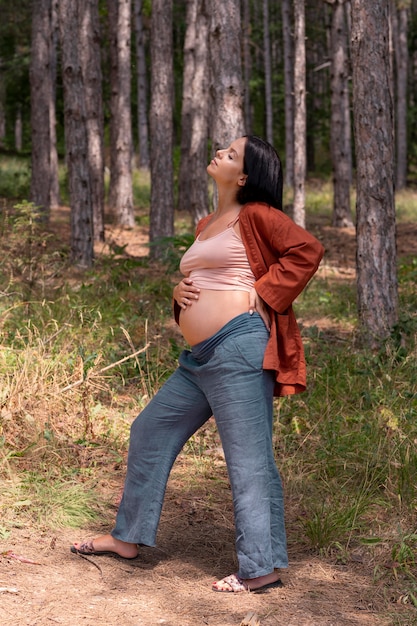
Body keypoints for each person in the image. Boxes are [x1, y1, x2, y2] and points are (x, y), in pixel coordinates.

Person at [71, 135, 324, 593]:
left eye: (231, 153)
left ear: (243, 176)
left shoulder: (259, 215)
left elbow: (306, 251)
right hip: (198, 358)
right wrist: (177, 292)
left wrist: (263, 294)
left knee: (248, 460)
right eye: (223, 148)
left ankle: (260, 569)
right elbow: (202, 274)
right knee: (149, 428)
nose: (220, 153)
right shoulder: (210, 221)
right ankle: (127, 538)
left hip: (240, 347)